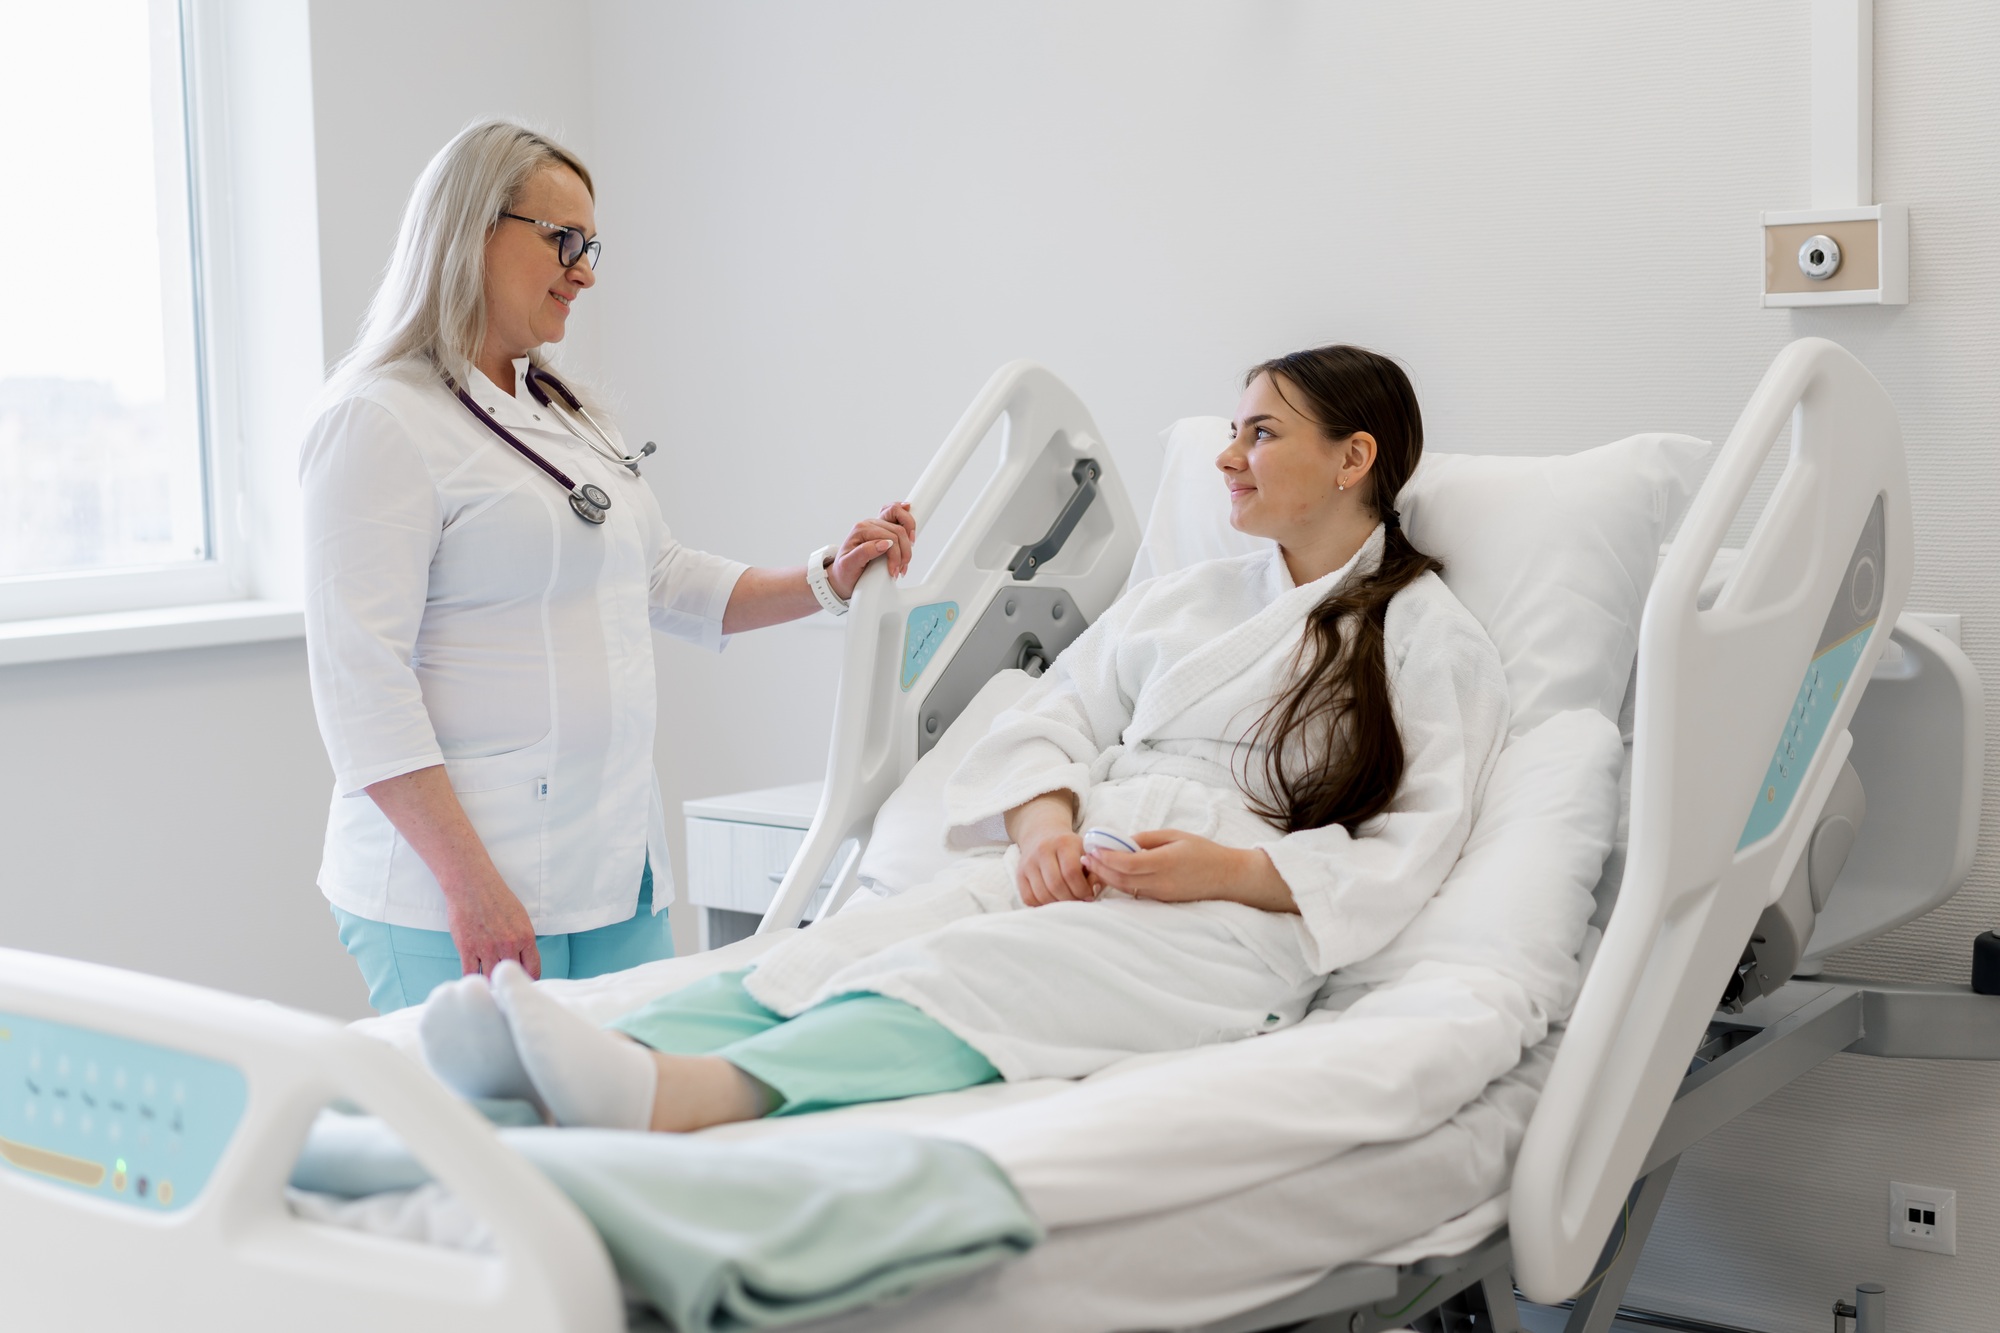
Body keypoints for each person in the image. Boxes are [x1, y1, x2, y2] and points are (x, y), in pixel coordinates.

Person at [415, 344, 1508, 1129]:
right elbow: (1052, 714)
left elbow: (1409, 850)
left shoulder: (1423, 637)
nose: (1227, 458)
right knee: (856, 942)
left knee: (977, 979)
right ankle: (597, 1047)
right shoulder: (1188, 600)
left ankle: (684, 1098)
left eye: (1259, 433)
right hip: (1087, 861)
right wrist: (1041, 825)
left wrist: (1229, 870)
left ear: (1352, 456)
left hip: (1227, 925)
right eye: (1228, 432)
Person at [301, 119, 914, 1013]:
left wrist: (827, 576)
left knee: (638, 1121)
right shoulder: (379, 421)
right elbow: (360, 688)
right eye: (563, 240)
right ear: (473, 228)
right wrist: (470, 885)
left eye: (592, 246)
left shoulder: (569, 411)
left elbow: (657, 575)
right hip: (454, 892)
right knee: (495, 1144)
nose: (584, 270)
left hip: (610, 871)